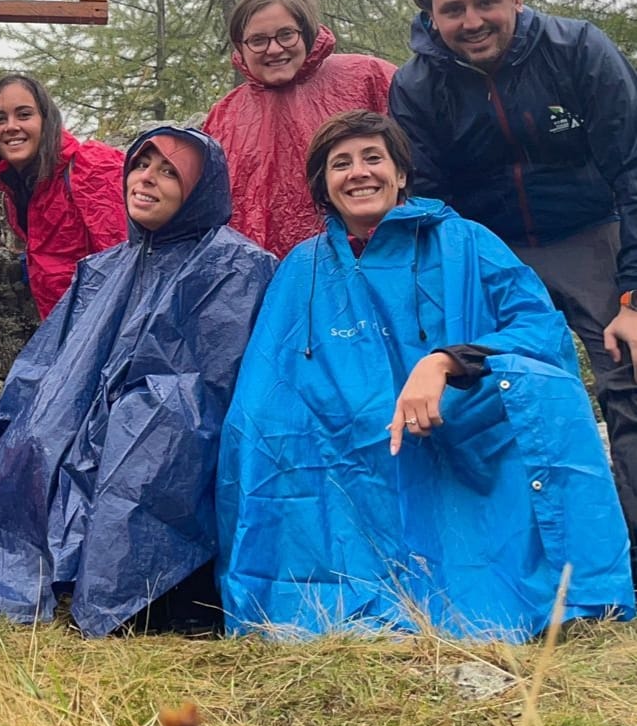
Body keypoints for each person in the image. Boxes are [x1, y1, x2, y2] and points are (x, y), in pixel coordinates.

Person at [217, 110, 634, 640]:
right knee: (257, 427)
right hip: (337, 444)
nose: (359, 172)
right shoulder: (304, 265)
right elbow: (267, 379)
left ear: (402, 173)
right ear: (324, 184)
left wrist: (448, 360)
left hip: (454, 424)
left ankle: (566, 587)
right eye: (341, 163)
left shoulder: (465, 242)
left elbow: (538, 327)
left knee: (546, 388)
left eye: (374, 158)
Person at [0, 128, 277, 637]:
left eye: (168, 171)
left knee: (145, 437)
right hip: (93, 408)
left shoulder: (236, 265)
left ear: (199, 189)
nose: (147, 180)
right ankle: (24, 576)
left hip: (183, 424)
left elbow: (217, 377)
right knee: (35, 435)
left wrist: (132, 401)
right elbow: (52, 362)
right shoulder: (105, 267)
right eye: (141, 165)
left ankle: (139, 597)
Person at [387, 0, 637, 581]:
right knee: (494, 392)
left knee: (627, 379)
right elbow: (429, 201)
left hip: (593, 234)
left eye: (485, 3)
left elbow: (632, 166)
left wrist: (633, 295)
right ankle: (518, 558)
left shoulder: (576, 50)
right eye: (452, 10)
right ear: (428, 15)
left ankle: (627, 553)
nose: (471, 21)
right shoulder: (416, 86)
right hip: (490, 251)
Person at [203, 0, 396, 257]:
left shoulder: (367, 76)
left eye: (286, 35)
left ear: (306, 33)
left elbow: (416, 161)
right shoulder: (225, 115)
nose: (274, 49)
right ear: (240, 47)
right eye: (258, 40)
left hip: (369, 258)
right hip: (260, 274)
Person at [0, 74, 125, 318]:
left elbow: (127, 264)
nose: (11, 126)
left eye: (24, 115)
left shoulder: (91, 168)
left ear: (45, 120)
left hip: (106, 333)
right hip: (62, 332)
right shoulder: (15, 185)